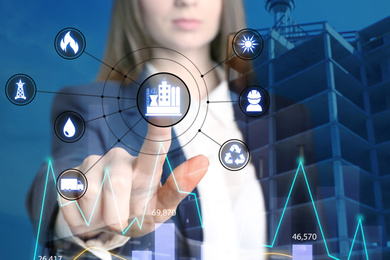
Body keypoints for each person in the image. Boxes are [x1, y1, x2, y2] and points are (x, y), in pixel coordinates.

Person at [27, 0, 267, 259]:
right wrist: (80, 204)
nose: (186, 2)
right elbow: (59, 176)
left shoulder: (284, 115)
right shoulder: (92, 106)